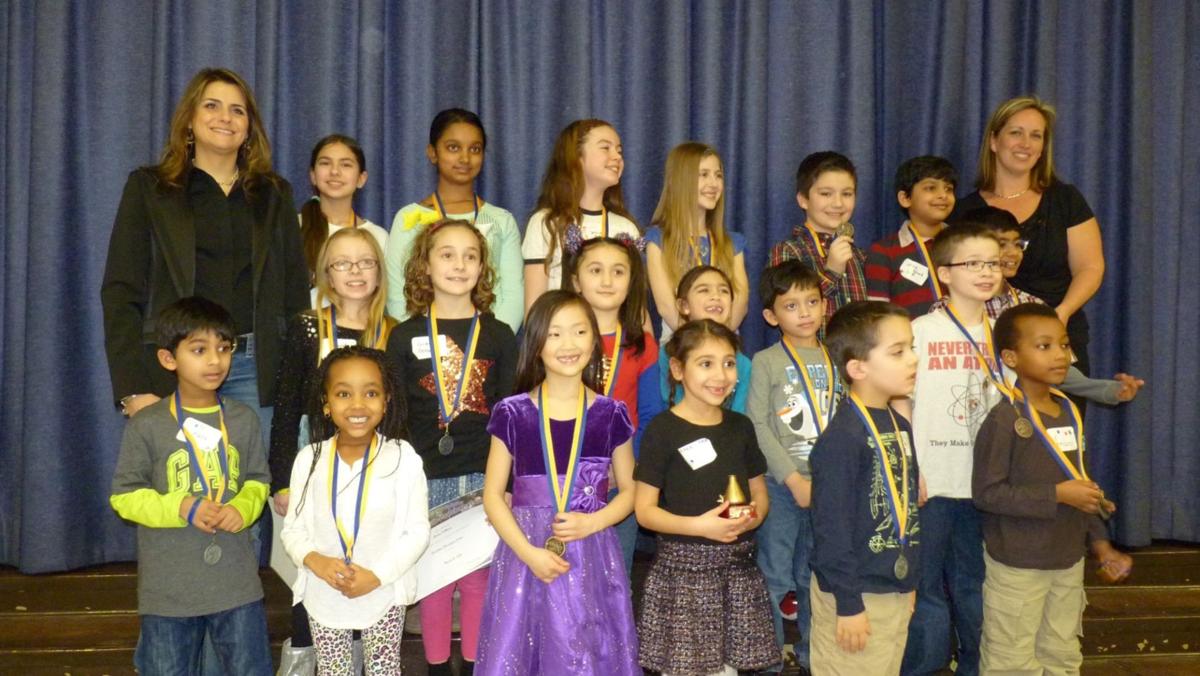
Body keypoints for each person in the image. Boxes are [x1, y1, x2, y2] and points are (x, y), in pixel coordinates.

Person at [904, 223, 1140, 676]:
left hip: (992, 485)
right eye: (974, 263)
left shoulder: (1010, 331)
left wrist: (1107, 391)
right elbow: (901, 398)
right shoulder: (920, 330)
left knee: (979, 589)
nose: (987, 271)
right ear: (945, 272)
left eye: (993, 262)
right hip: (934, 481)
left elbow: (1057, 374)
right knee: (926, 588)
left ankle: (976, 667)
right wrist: (912, 469)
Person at [102, 68, 308, 435]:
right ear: (189, 121)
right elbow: (121, 291)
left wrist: (298, 383)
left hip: (257, 373)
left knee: (251, 491)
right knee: (180, 491)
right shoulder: (149, 189)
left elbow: (295, 297)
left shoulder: (275, 194)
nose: (225, 117)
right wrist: (132, 387)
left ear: (249, 128)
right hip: (173, 369)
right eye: (211, 105)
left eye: (237, 110)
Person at [474, 290, 640, 675]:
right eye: (555, 334)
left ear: (594, 340)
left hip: (591, 551)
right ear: (535, 344)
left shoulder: (611, 414)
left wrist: (594, 522)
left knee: (586, 644)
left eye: (579, 332)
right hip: (525, 550)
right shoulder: (512, 413)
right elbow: (493, 495)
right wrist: (529, 554)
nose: (569, 344)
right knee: (521, 643)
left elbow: (631, 491)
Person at [109, 297, 273, 675]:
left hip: (236, 586)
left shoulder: (242, 419)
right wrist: (181, 507)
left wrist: (242, 509)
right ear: (169, 359)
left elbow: (257, 480)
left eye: (223, 348)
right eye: (199, 350)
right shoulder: (147, 424)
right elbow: (124, 496)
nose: (215, 361)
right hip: (169, 591)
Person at [386, 219, 517, 676]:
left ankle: (478, 665)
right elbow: (396, 415)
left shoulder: (498, 334)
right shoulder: (402, 337)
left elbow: (510, 415)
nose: (459, 265)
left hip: (485, 475)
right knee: (434, 580)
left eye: (470, 256)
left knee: (479, 578)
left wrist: (510, 483)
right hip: (423, 477)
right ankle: (438, 668)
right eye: (447, 254)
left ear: (483, 268)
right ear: (425, 264)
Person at [974, 303, 1133, 673]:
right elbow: (987, 494)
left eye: (1063, 345)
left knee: (1061, 654)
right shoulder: (1004, 419)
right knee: (1012, 660)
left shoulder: (1067, 411)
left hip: (1067, 560)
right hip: (1019, 565)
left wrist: (1102, 545)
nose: (1060, 354)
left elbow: (1083, 485)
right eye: (1044, 346)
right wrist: (1057, 495)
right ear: (1011, 357)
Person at [269, 228, 397, 672]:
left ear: (380, 272)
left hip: (375, 470)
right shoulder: (308, 326)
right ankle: (309, 661)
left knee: (366, 567)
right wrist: (283, 478)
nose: (355, 272)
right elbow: (286, 406)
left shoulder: (394, 331)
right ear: (325, 273)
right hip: (316, 464)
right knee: (317, 572)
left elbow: (398, 411)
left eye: (365, 262)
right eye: (343, 263)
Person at [635, 318, 777, 675]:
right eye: (706, 363)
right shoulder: (662, 430)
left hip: (737, 571)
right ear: (678, 369)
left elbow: (758, 491)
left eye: (729, 363)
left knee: (729, 668)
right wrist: (701, 527)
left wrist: (752, 517)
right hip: (685, 576)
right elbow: (645, 512)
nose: (721, 375)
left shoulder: (740, 427)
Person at [281, 346, 430, 675]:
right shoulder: (310, 458)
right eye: (344, 393)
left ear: (386, 399)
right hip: (325, 591)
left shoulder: (403, 458)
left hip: (384, 589)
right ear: (326, 402)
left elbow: (417, 531)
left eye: (371, 393)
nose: (358, 405)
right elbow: (292, 530)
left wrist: (377, 575)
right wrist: (316, 562)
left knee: (383, 670)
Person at [954, 96, 1105, 376]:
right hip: (988, 347)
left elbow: (1090, 267)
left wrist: (1061, 314)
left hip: (1057, 338)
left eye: (1036, 136)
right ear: (994, 141)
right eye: (1016, 133)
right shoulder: (963, 211)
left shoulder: (1065, 200)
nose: (1026, 143)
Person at [809, 301, 921, 675]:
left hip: (893, 587)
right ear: (857, 368)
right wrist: (848, 602)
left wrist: (909, 581)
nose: (913, 359)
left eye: (912, 347)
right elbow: (831, 529)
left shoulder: (899, 426)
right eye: (898, 351)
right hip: (854, 595)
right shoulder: (842, 438)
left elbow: (906, 508)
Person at [748, 261, 845, 673]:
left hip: (830, 488)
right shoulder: (767, 360)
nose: (804, 312)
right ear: (771, 316)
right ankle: (769, 659)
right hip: (782, 487)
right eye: (791, 305)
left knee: (816, 578)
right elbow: (757, 423)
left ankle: (810, 656)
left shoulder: (840, 356)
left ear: (825, 305)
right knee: (774, 576)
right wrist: (792, 478)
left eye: (811, 301)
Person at [565, 236, 662, 571]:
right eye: (596, 270)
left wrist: (626, 470)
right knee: (566, 575)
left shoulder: (643, 345)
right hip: (563, 476)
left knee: (614, 574)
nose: (607, 281)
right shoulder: (559, 339)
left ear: (632, 281)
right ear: (576, 281)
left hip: (622, 484)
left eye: (618, 272)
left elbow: (650, 416)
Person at [386, 109, 524, 332]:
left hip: (487, 346)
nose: (465, 158)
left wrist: (489, 342)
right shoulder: (408, 218)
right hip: (423, 346)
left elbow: (513, 296)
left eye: (475, 149)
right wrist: (424, 342)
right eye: (453, 147)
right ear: (432, 153)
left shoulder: (502, 221)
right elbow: (396, 294)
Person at [522, 119, 640, 309]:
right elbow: (534, 306)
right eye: (605, 148)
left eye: (619, 151)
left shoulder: (626, 228)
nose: (617, 157)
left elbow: (636, 310)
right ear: (576, 157)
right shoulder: (546, 223)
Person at [645, 142, 750, 337]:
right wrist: (699, 344)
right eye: (703, 175)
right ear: (681, 180)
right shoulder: (658, 240)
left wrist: (718, 342)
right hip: (680, 345)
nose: (714, 183)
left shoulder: (732, 243)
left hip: (725, 345)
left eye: (718, 175)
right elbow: (666, 306)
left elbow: (741, 303)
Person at [768, 151, 868, 324]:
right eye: (825, 194)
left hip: (859, 349)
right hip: (811, 350)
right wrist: (831, 273)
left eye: (847, 194)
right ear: (803, 200)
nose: (838, 203)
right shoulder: (788, 251)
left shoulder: (860, 255)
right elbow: (788, 306)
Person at [865, 156, 958, 317]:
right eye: (931, 188)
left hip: (963, 339)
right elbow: (877, 315)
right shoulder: (884, 251)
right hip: (910, 340)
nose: (943, 195)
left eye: (948, 189)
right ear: (905, 198)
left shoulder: (964, 244)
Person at [656, 265, 753, 413]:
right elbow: (666, 403)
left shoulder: (743, 363)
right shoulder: (669, 353)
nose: (716, 296)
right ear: (684, 306)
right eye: (704, 290)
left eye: (724, 291)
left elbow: (740, 414)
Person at [299, 134, 388, 285]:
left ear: (361, 178)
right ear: (313, 175)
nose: (334, 171)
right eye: (325, 163)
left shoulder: (377, 236)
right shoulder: (292, 227)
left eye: (346, 165)